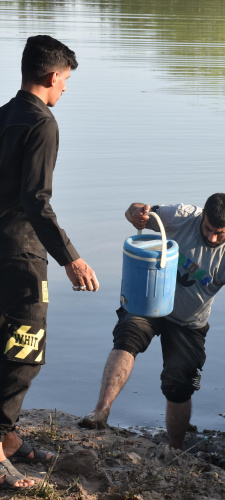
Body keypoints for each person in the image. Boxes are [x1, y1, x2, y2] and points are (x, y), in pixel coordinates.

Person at [78, 194, 225, 449]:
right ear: (202, 215)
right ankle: (100, 411)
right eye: (207, 228)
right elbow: (137, 212)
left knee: (179, 385)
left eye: (220, 232)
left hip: (188, 322)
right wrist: (134, 213)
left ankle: (174, 450)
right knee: (127, 338)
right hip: (150, 301)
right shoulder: (181, 216)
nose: (212, 237)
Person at [0, 35, 99, 490]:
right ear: (52, 76)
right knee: (26, 346)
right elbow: (36, 201)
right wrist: (71, 258)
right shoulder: (43, 123)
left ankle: (9, 439)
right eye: (66, 81)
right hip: (20, 251)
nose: (66, 91)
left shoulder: (5, 115)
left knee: (6, 340)